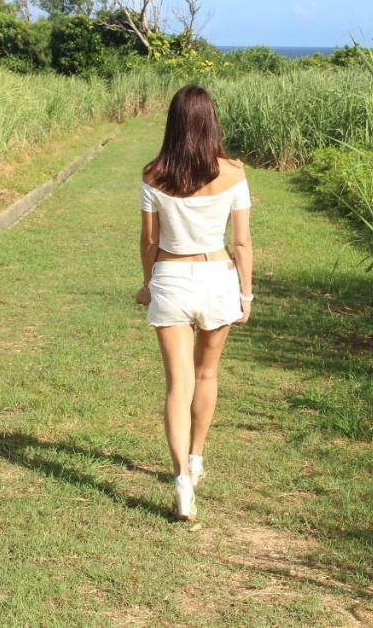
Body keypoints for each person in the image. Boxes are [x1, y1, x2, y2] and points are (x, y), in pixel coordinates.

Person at [137, 85, 254, 521]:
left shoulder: (154, 175)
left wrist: (147, 283)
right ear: (211, 122)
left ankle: (182, 480)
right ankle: (197, 458)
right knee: (207, 374)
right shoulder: (234, 173)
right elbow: (241, 241)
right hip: (218, 277)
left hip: (171, 276)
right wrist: (246, 294)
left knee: (177, 383)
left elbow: (149, 240)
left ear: (173, 124)